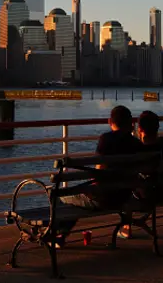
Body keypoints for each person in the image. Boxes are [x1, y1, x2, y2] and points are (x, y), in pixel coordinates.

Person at [53, 105, 145, 247]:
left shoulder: (106, 139)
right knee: (81, 199)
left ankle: (59, 235)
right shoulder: (136, 143)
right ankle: (126, 228)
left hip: (104, 198)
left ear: (110, 121)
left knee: (61, 198)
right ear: (130, 123)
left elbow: (98, 171)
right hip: (125, 196)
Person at [119, 110, 163, 239]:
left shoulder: (136, 148)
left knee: (125, 186)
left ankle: (127, 227)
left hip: (147, 194)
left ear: (140, 128)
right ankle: (136, 222)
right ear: (157, 127)